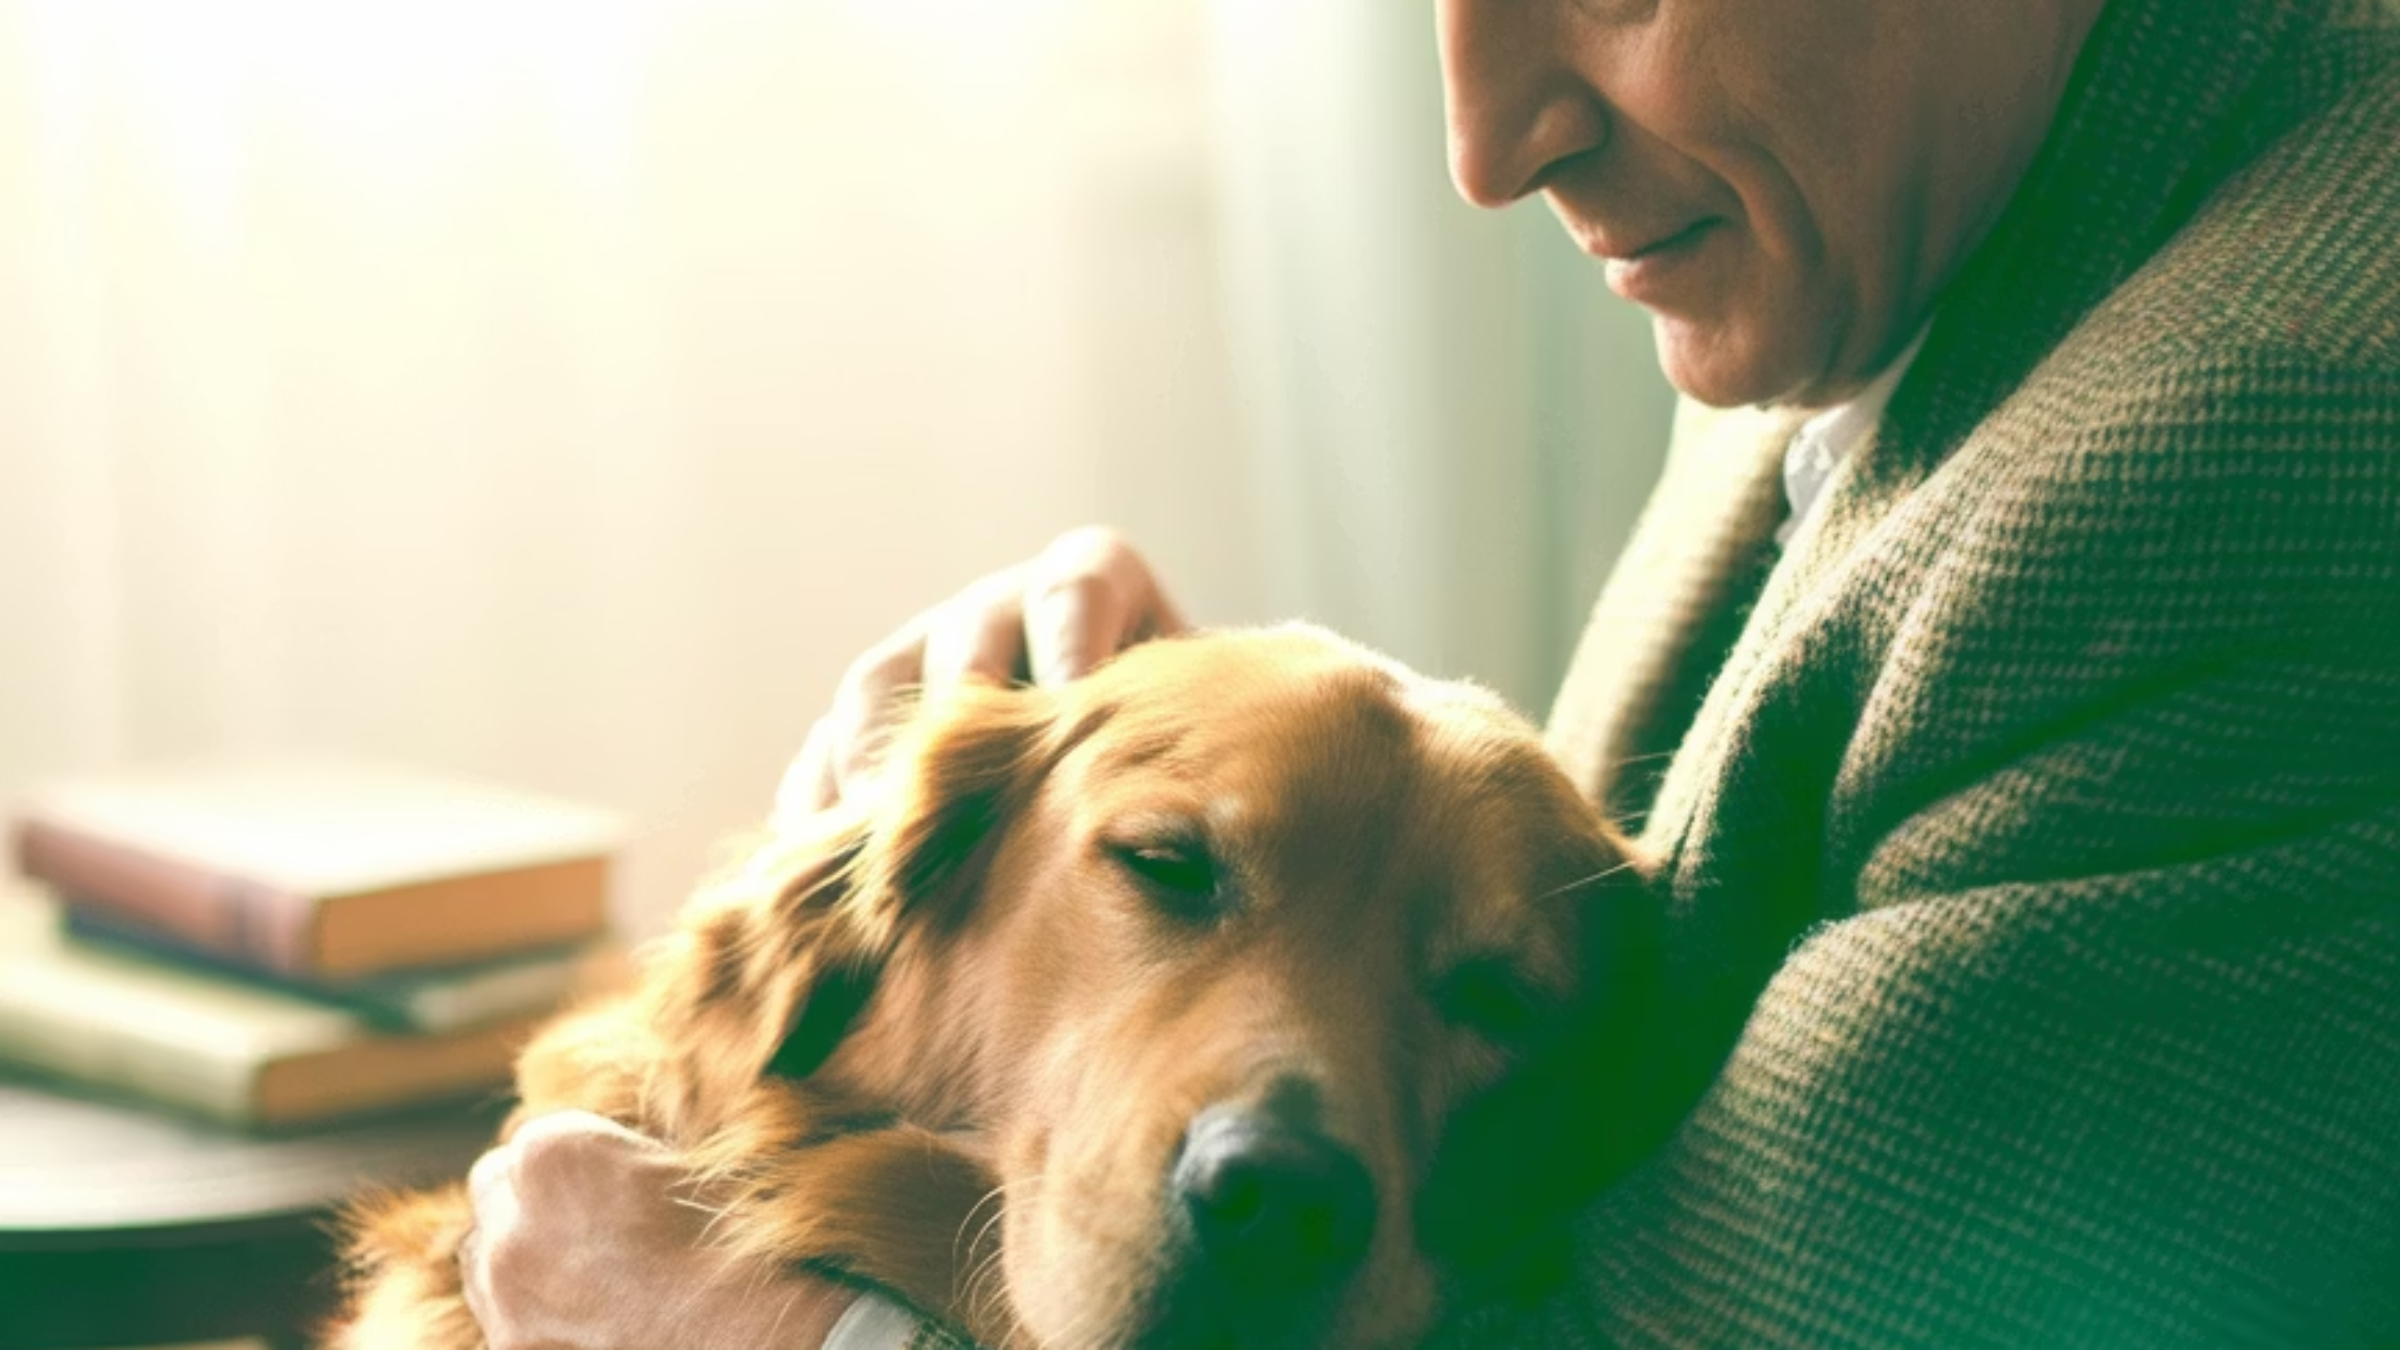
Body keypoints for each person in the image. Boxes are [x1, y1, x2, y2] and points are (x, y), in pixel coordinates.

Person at [460, 0, 2400, 1344]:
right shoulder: (1909, 242)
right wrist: (1183, 746)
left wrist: (773, 1333)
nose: (1493, 146)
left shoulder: (2279, 449)